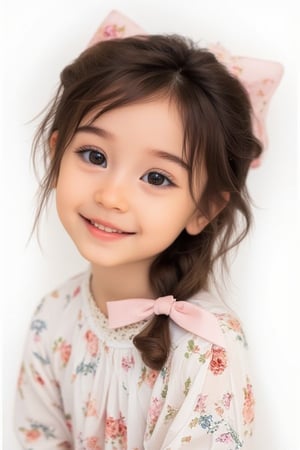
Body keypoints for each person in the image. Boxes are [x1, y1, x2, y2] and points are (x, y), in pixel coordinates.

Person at [14, 33, 263, 449]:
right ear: (57, 153)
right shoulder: (53, 317)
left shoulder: (204, 344)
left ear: (204, 209)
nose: (111, 196)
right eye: (94, 156)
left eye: (156, 178)